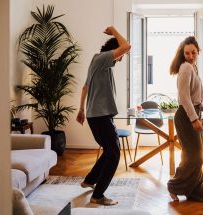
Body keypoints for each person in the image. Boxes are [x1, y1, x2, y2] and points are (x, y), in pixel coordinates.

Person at [76, 26, 131, 206]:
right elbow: (126, 46)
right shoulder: (102, 58)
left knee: (109, 150)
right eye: (119, 55)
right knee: (114, 153)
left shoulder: (98, 63)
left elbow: (85, 87)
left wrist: (81, 110)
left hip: (96, 115)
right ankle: (98, 195)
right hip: (100, 116)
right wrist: (114, 31)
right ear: (113, 51)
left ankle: (90, 181)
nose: (121, 59)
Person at [167, 36, 203, 202]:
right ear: (183, 54)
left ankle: (195, 192)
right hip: (185, 117)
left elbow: (198, 98)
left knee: (194, 155)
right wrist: (195, 119)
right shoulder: (185, 68)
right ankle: (174, 186)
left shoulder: (193, 67)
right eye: (187, 53)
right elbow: (184, 98)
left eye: (193, 52)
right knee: (194, 156)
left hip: (193, 114)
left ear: (198, 52)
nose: (190, 55)